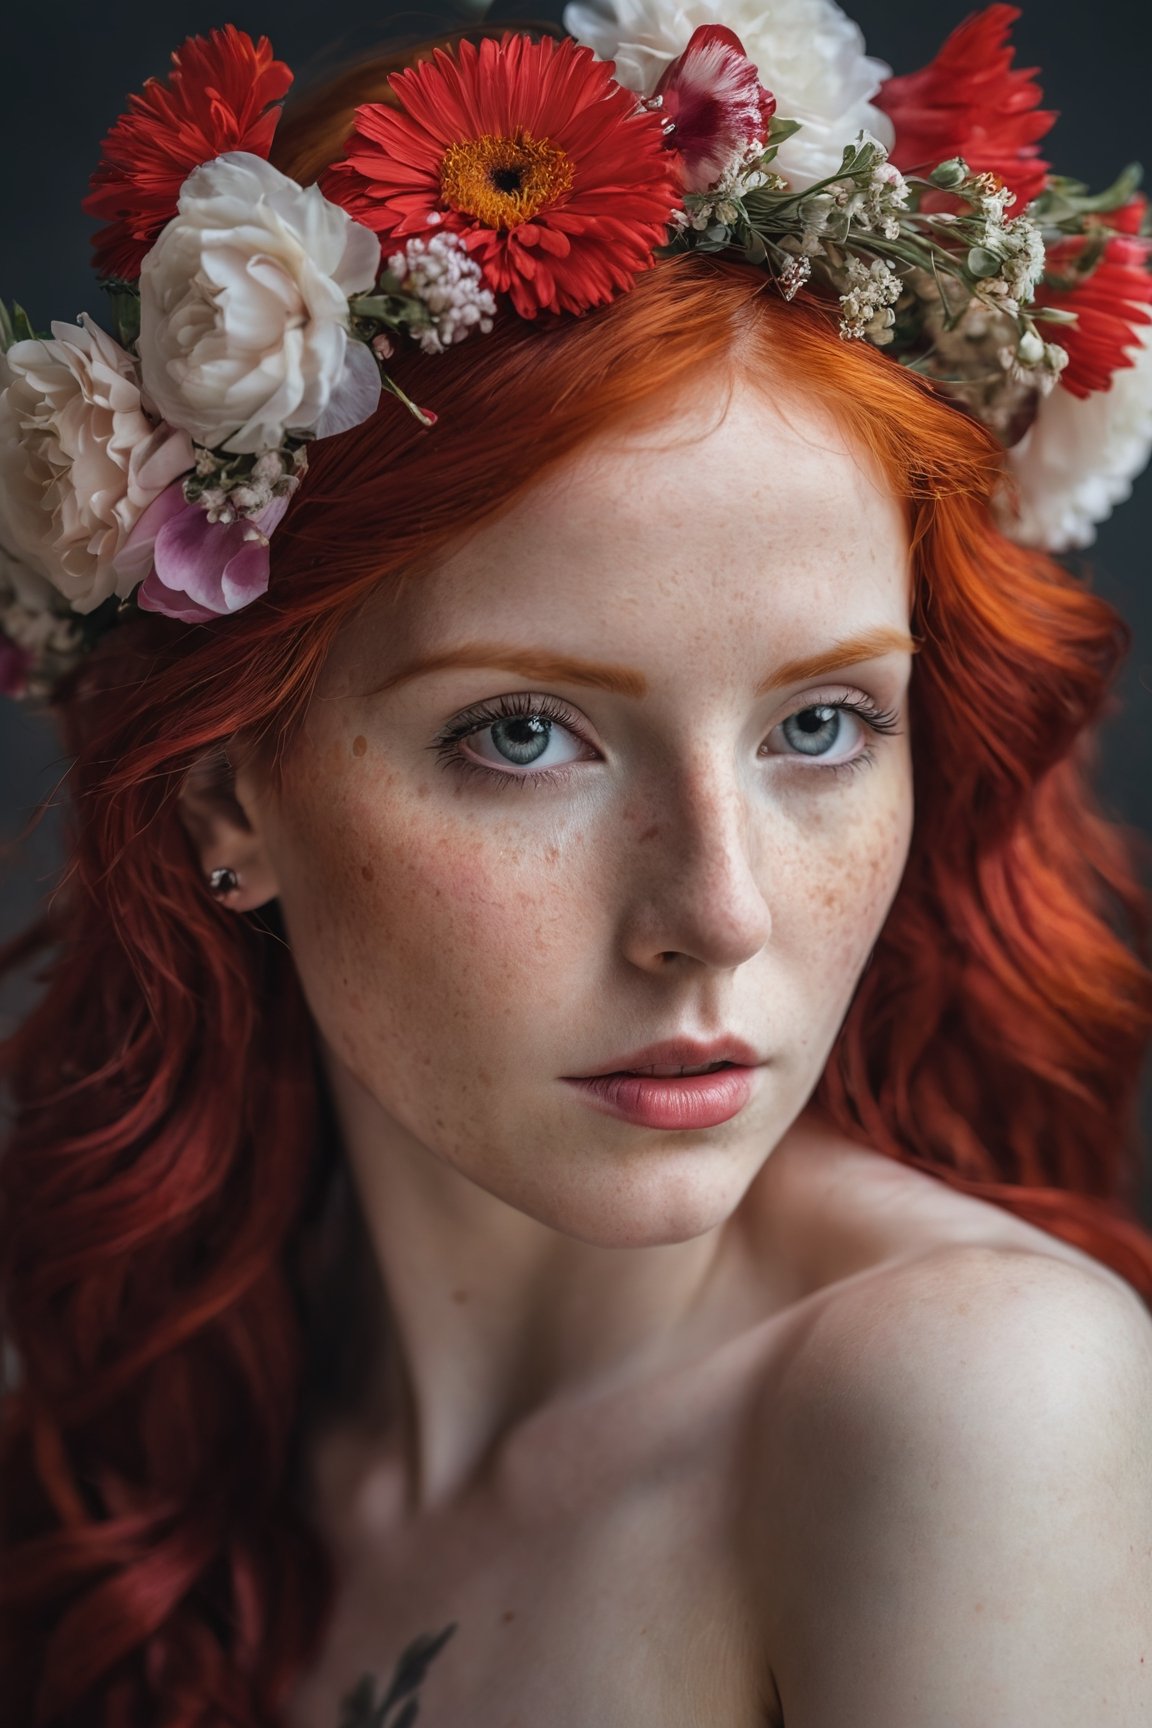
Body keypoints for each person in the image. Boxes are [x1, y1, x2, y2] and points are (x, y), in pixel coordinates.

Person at [2, 8, 1152, 1726]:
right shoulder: (127, 1430)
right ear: (228, 798)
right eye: (525, 734)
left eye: (823, 726)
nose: (723, 912)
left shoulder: (968, 1402)